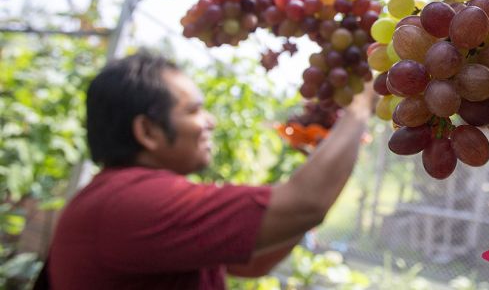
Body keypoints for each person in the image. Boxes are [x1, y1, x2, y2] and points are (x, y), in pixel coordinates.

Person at [45, 51, 371, 289]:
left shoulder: (113, 199)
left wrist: (323, 159)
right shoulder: (132, 203)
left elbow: (253, 262)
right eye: (195, 110)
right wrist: (359, 107)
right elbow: (303, 206)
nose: (210, 121)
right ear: (148, 131)